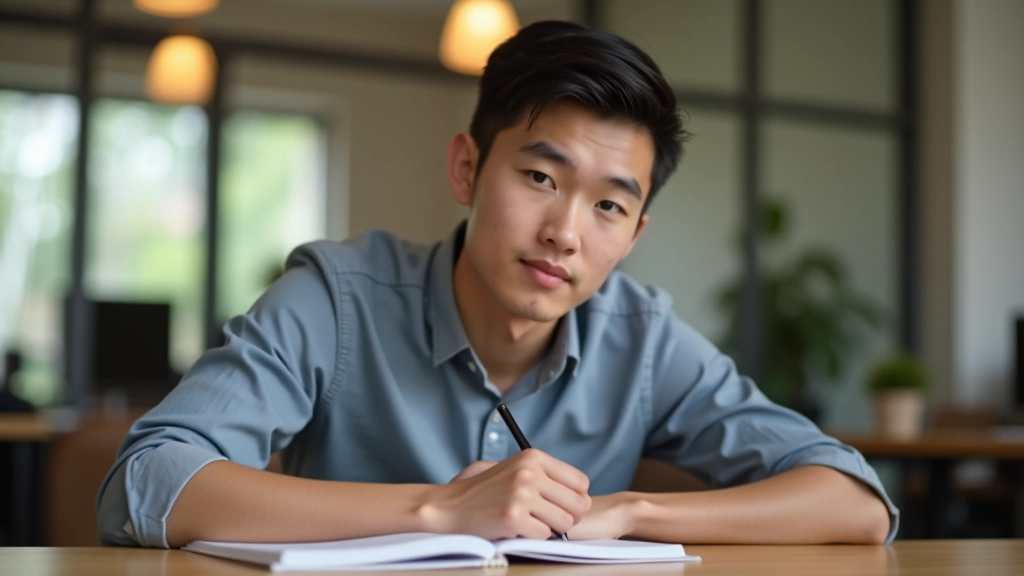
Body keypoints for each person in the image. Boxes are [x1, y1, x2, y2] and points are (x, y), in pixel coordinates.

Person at [97, 21, 896, 549]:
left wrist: (626, 512)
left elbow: (857, 503)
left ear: (633, 235)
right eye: (542, 177)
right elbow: (146, 480)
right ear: (468, 168)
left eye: (610, 205)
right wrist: (439, 511)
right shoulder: (337, 299)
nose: (567, 232)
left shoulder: (642, 335)